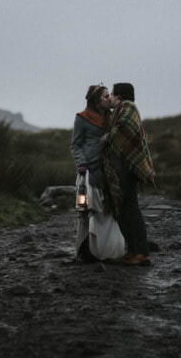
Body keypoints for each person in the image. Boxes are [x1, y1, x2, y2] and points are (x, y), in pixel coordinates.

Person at [103, 82, 155, 266]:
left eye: (112, 94)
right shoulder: (122, 109)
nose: (110, 97)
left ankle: (141, 253)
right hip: (125, 166)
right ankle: (133, 250)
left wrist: (105, 139)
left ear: (120, 96)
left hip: (129, 166)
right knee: (125, 209)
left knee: (130, 208)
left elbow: (123, 130)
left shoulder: (127, 108)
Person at [70, 84, 112, 261]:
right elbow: (75, 144)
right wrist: (81, 163)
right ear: (96, 100)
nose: (109, 99)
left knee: (106, 210)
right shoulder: (82, 118)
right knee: (85, 209)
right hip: (87, 171)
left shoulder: (111, 117)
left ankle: (104, 250)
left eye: (110, 95)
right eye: (105, 96)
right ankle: (84, 250)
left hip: (108, 170)